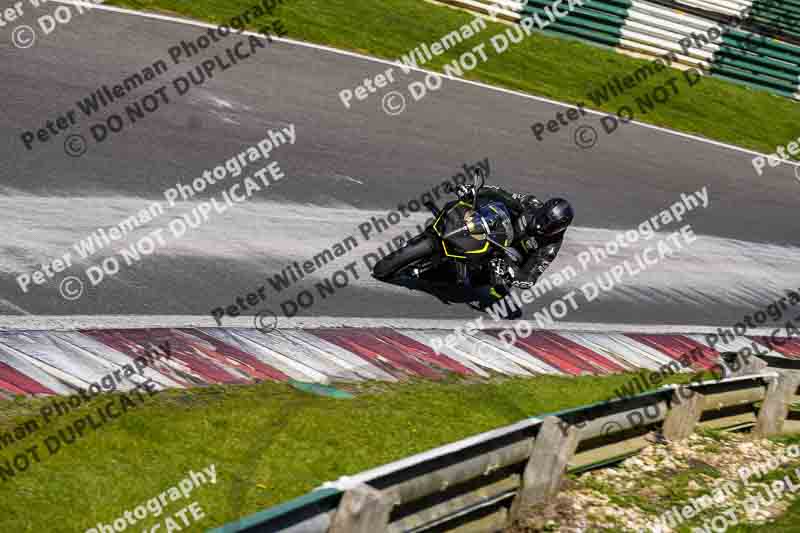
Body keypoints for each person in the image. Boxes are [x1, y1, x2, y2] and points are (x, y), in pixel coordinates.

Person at [454, 182, 574, 302]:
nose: (540, 225)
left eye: (549, 226)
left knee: (496, 286)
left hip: (508, 256)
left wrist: (511, 273)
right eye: (542, 217)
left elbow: (530, 279)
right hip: (500, 229)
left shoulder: (550, 248)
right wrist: (476, 191)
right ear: (543, 209)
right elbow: (501, 194)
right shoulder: (531, 204)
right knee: (482, 204)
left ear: (559, 229)